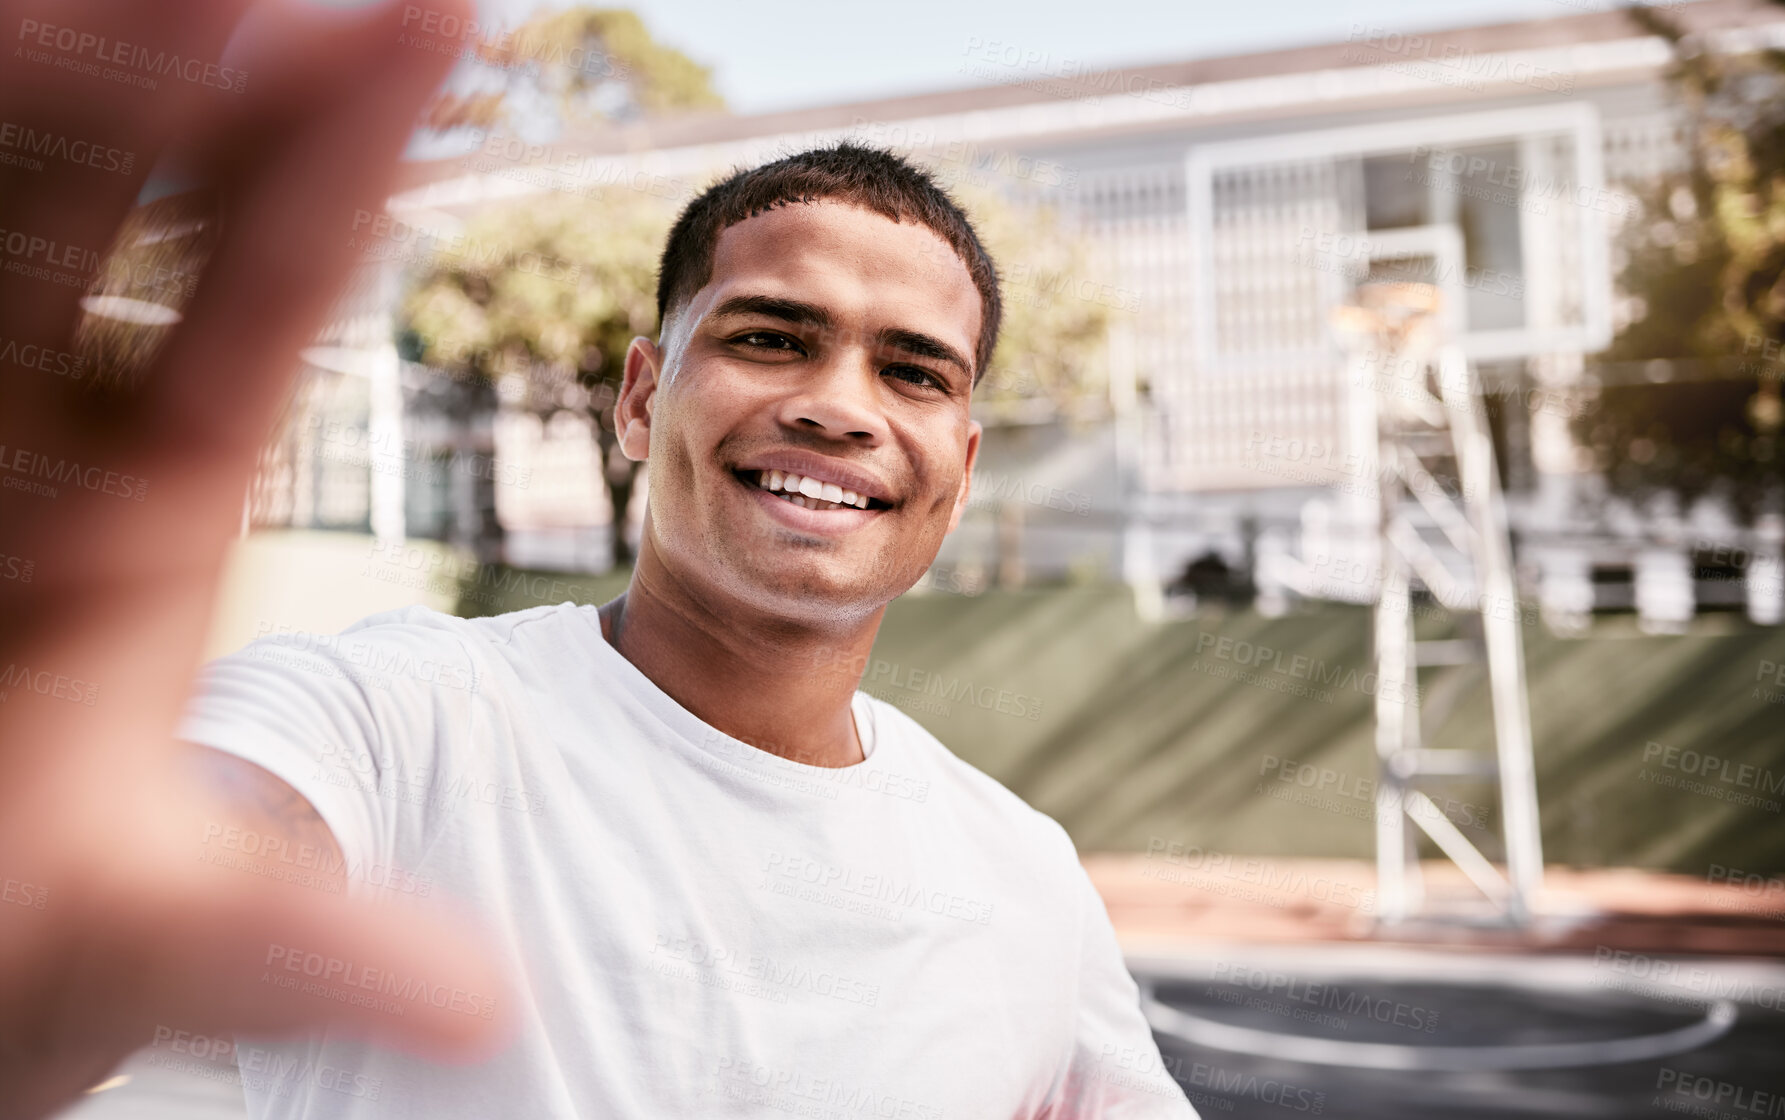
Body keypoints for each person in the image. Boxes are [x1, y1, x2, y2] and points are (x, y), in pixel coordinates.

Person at [0, 0, 1195, 1115]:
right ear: (639, 400)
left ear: (963, 464)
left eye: (915, 370)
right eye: (771, 337)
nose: (840, 407)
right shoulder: (395, 719)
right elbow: (154, 867)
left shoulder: (1024, 876)